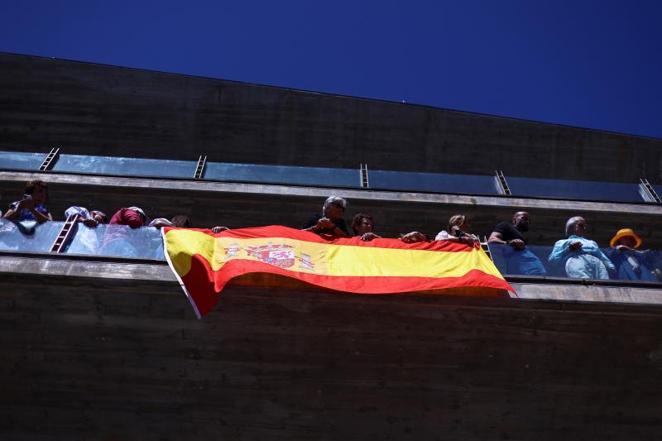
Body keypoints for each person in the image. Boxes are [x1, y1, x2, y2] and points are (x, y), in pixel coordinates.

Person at [548, 216, 615, 280]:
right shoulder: (562, 242)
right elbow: (553, 260)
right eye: (581, 225)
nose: (584, 228)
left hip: (598, 264)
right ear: (571, 226)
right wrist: (569, 249)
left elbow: (601, 255)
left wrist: (610, 266)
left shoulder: (592, 242)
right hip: (577, 260)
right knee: (585, 283)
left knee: (603, 283)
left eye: (585, 226)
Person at [488, 211, 546, 276]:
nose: (527, 221)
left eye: (529, 220)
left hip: (534, 269)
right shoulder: (505, 225)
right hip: (526, 269)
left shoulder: (522, 237)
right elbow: (492, 240)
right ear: (514, 219)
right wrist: (509, 243)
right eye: (524, 218)